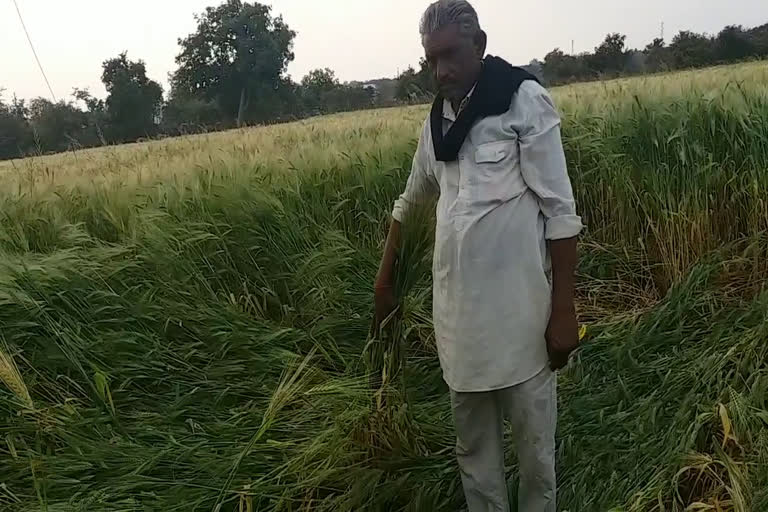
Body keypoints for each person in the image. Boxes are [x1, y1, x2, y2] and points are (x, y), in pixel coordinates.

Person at [373, 1, 584, 510]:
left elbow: (560, 212)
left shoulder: (522, 101)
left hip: (522, 319)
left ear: (480, 45)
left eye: (451, 54)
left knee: (535, 452)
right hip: (459, 324)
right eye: (431, 59)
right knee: (474, 451)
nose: (441, 70)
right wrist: (385, 281)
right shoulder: (438, 123)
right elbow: (413, 201)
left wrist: (564, 310)